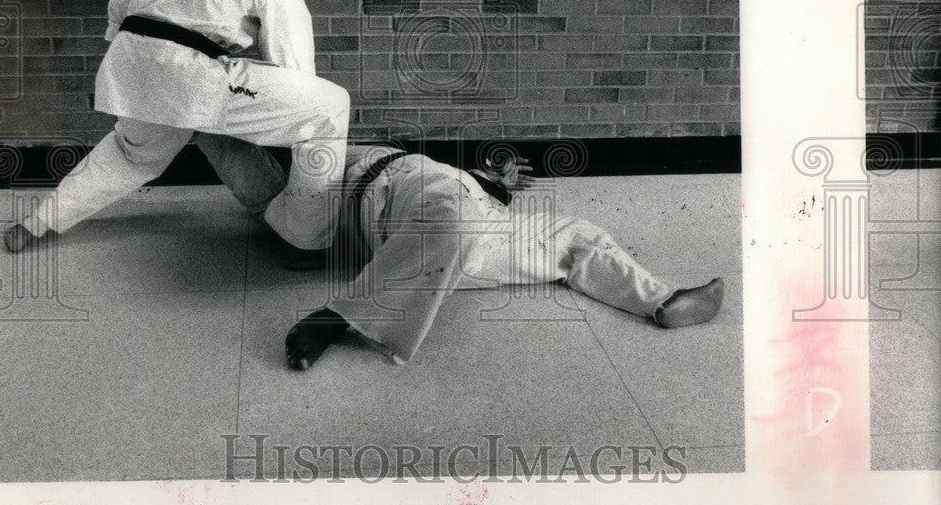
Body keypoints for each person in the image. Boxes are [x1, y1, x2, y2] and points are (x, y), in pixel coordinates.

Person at [3, 0, 348, 265]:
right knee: (329, 107)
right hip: (189, 71)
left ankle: (35, 224)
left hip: (130, 56)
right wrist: (289, 121)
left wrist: (141, 52)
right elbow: (292, 61)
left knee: (132, 155)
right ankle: (306, 243)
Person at [182, 137, 725, 368]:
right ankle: (339, 314)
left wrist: (499, 182)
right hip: (390, 199)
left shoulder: (459, 185)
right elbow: (275, 164)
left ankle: (663, 301)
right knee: (277, 219)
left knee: (576, 235)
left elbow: (472, 196)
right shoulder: (343, 153)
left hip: (449, 226)